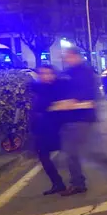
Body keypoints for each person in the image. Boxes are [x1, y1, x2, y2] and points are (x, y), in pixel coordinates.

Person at [50, 47, 107, 196]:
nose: (66, 59)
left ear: (76, 56)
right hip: (71, 119)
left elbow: (90, 96)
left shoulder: (86, 73)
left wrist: (73, 102)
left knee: (83, 153)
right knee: (74, 153)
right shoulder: (68, 73)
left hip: (83, 118)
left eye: (69, 56)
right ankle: (79, 182)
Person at [30, 65, 66, 195]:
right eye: (43, 74)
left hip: (54, 127)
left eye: (49, 73)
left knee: (71, 153)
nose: (46, 76)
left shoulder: (56, 89)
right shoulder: (38, 88)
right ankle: (57, 182)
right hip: (42, 128)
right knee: (43, 155)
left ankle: (74, 181)